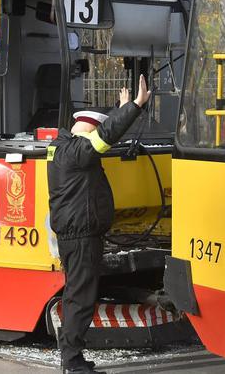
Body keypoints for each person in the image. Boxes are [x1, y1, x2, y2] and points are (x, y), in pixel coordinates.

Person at [47, 75, 150, 374]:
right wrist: (133, 107)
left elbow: (102, 136)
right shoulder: (78, 152)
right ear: (89, 129)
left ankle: (71, 357)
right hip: (81, 238)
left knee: (76, 295)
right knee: (80, 299)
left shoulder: (62, 148)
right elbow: (107, 135)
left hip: (75, 235)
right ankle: (72, 361)